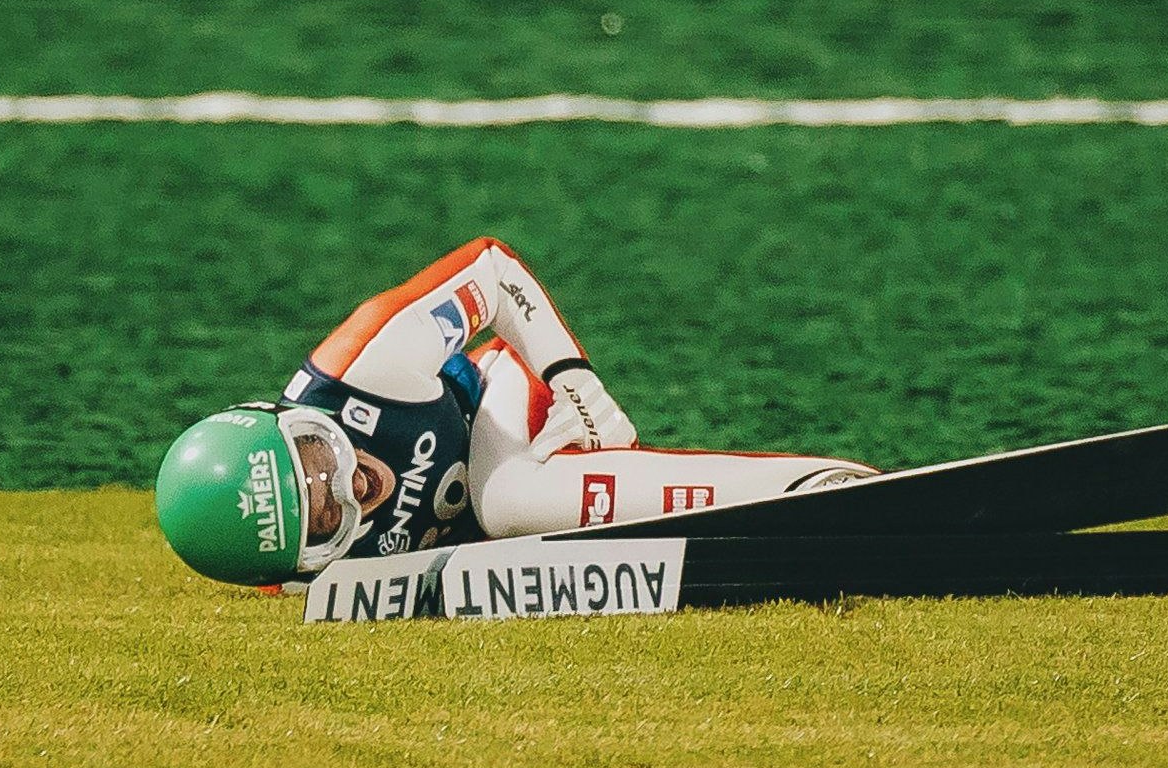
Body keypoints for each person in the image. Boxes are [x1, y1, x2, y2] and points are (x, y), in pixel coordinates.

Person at [154, 238, 871, 586]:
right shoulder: (304, 576)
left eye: (317, 456)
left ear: (283, 413)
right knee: (505, 513)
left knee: (507, 497)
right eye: (322, 519)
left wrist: (572, 380)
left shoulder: (365, 363)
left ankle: (816, 489)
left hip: (505, 401)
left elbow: (492, 272)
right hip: (492, 529)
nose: (349, 486)